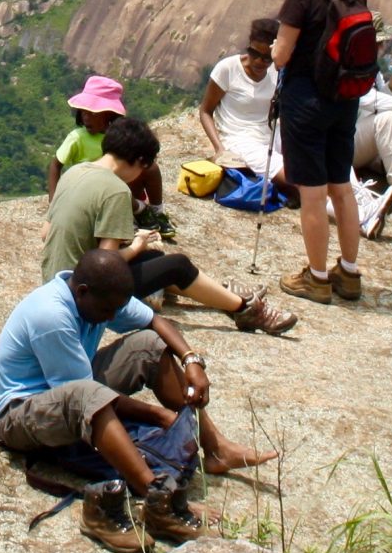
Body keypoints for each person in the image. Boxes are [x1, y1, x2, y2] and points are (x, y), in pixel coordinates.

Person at [0, 248, 280, 553]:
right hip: (18, 415)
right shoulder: (52, 315)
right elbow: (85, 394)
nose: (113, 317)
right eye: (108, 310)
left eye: (118, 309)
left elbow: (155, 322)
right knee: (88, 394)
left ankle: (216, 448)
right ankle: (156, 497)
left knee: (149, 345)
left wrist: (192, 360)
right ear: (83, 292)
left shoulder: (97, 294)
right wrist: (158, 415)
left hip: (68, 392)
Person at [41, 116, 297, 334]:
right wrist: (137, 245)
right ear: (140, 160)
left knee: (156, 259)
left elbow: (47, 233)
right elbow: (107, 266)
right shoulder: (116, 191)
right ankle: (246, 309)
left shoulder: (75, 172)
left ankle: (222, 295)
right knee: (177, 265)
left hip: (56, 280)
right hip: (86, 293)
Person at [269, 0, 371, 305]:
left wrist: (277, 51)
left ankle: (316, 278)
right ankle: (349, 273)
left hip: (307, 103)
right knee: (341, 188)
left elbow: (281, 56)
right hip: (345, 100)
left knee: (312, 194)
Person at [45, 74, 161, 209]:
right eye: (83, 112)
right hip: (92, 191)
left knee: (150, 167)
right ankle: (139, 210)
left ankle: (156, 211)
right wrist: (53, 201)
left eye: (93, 113)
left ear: (109, 113)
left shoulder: (120, 135)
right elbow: (55, 164)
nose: (87, 118)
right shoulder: (77, 138)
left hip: (118, 186)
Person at [198, 18, 281, 175]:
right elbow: (205, 111)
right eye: (254, 53)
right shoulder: (228, 69)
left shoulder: (277, 70)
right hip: (241, 141)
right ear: (249, 45)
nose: (259, 61)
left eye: (266, 58)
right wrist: (220, 150)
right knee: (293, 176)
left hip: (271, 136)